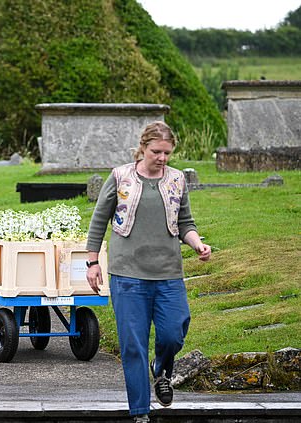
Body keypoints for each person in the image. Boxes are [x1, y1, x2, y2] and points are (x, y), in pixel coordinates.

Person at [85, 121, 211, 423]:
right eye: (157, 151)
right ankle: (140, 412)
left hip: (168, 273)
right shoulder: (120, 177)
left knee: (173, 332)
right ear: (143, 147)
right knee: (133, 344)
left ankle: (162, 369)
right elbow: (98, 221)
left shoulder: (177, 180)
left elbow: (185, 223)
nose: (162, 158)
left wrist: (197, 244)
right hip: (128, 274)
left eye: (167, 153)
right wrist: (92, 263)